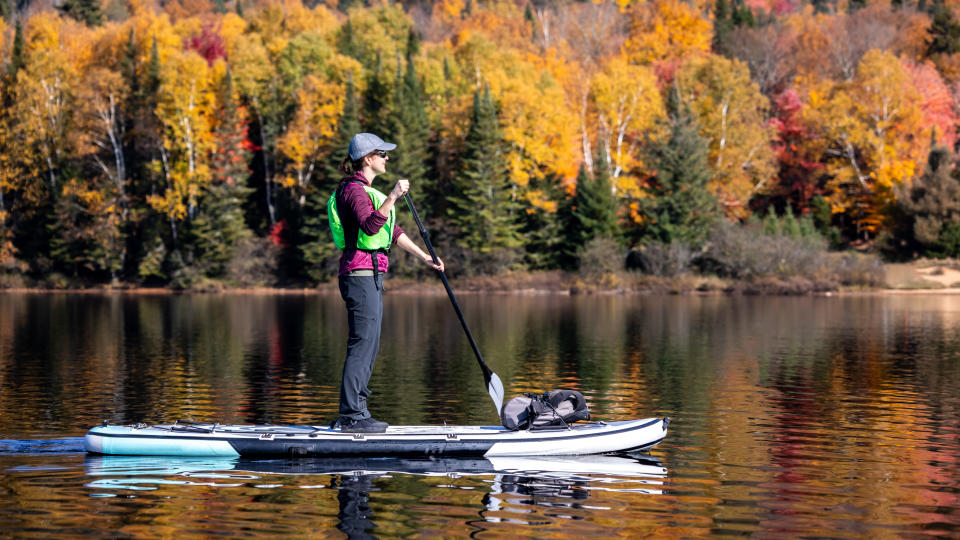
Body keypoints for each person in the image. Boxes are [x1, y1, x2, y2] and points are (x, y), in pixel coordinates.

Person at [327, 133, 444, 433]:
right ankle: (352, 416)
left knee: (370, 344)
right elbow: (369, 226)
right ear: (367, 159)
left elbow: (392, 232)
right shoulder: (353, 191)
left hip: (371, 276)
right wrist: (393, 196)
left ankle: (356, 413)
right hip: (359, 274)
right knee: (362, 344)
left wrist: (425, 258)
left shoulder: (369, 192)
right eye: (382, 153)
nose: (387, 158)